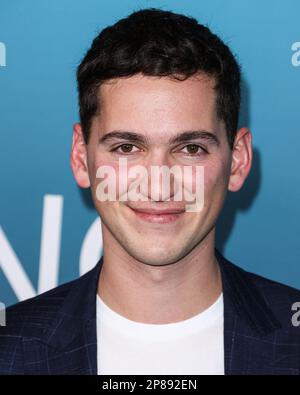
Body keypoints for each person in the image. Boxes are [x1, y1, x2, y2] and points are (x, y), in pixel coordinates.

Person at [0, 8, 299, 375]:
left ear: (237, 161)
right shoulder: (9, 350)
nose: (158, 184)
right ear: (81, 158)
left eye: (190, 149)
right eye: (126, 148)